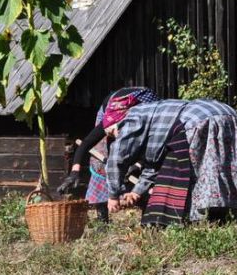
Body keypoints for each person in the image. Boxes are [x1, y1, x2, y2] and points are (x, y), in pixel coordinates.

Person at [103, 97, 237, 226]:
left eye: (112, 132)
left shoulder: (131, 118)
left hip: (198, 120)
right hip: (230, 115)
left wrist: (113, 196)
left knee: (193, 173)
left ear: (119, 121)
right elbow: (154, 164)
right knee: (219, 169)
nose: (115, 137)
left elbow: (116, 159)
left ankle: (200, 220)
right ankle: (222, 217)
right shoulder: (150, 115)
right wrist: (136, 192)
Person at [56, 87, 160, 222]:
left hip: (144, 113)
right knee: (102, 159)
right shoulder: (111, 119)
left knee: (139, 161)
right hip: (113, 107)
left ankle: (147, 214)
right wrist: (74, 172)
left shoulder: (147, 121)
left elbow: (152, 151)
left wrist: (137, 165)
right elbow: (86, 143)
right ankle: (102, 216)